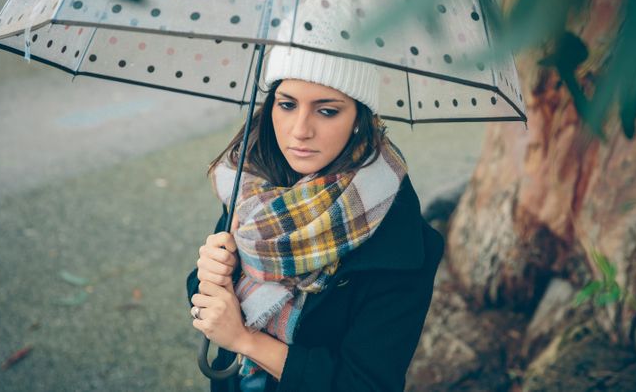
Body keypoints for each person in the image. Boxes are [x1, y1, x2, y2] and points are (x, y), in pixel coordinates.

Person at [185, 37, 444, 391]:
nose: (300, 130)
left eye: (327, 110)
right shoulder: (253, 186)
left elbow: (366, 384)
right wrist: (210, 276)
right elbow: (209, 306)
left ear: (359, 118)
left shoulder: (400, 242)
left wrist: (246, 342)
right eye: (287, 104)